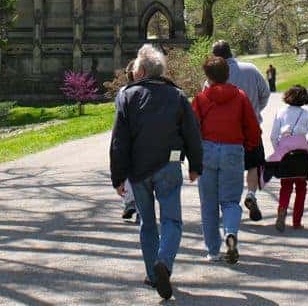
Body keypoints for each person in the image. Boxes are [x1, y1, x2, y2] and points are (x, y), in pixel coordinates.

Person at [110, 44, 203, 300]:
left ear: (140, 71)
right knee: (172, 221)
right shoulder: (177, 96)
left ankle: (153, 274)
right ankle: (164, 262)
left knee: (147, 223)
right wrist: (196, 166)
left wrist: (118, 177)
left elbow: (119, 140)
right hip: (169, 166)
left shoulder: (127, 96)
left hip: (138, 171)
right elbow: (192, 135)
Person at [192, 56, 261, 264]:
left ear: (207, 76)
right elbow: (252, 127)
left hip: (208, 150)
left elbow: (193, 129)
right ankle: (230, 232)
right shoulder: (240, 97)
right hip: (233, 149)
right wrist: (249, 145)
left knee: (208, 204)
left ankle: (213, 250)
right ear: (227, 74)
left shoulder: (201, 98)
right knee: (231, 200)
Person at [211, 40, 270, 221]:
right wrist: (256, 109)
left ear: (215, 56)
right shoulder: (250, 69)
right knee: (253, 164)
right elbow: (265, 93)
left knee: (225, 169)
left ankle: (228, 205)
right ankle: (251, 193)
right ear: (231, 51)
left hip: (224, 132)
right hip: (250, 128)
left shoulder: (214, 75)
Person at [269, 85, 308, 231]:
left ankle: (282, 210)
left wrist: (279, 150)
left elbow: (273, 136)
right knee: (301, 189)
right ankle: (297, 221)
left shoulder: (280, 112)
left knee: (286, 187)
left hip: (286, 155)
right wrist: (306, 146)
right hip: (302, 156)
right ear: (304, 98)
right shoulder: (306, 114)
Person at [116, 60, 137, 220]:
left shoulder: (122, 92)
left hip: (127, 138)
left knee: (128, 172)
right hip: (142, 139)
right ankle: (137, 205)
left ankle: (130, 202)